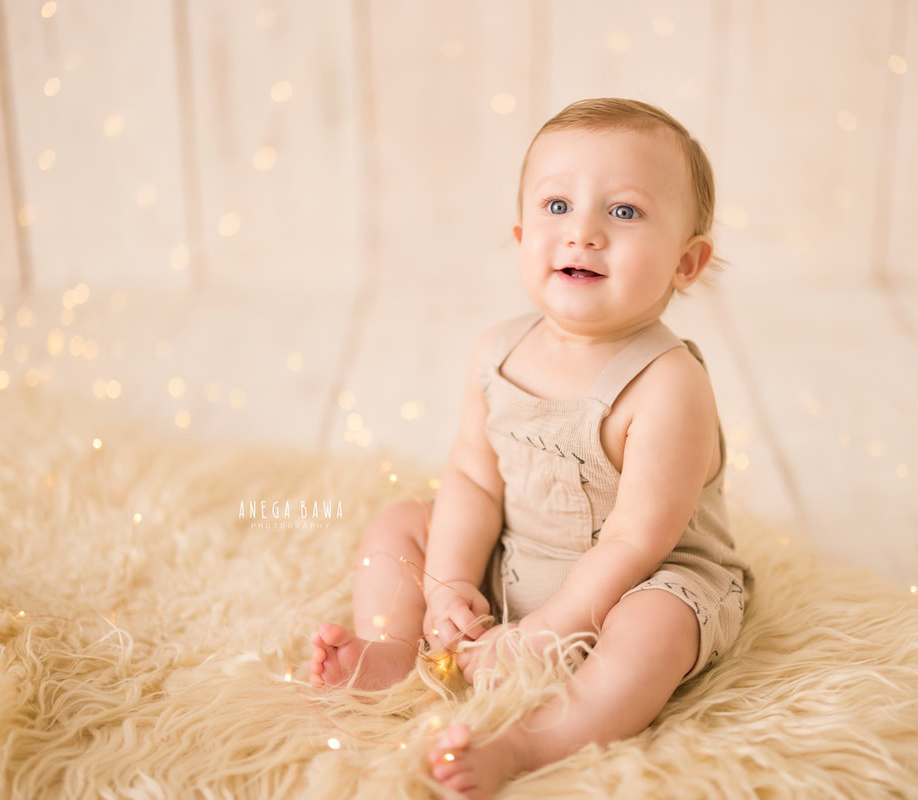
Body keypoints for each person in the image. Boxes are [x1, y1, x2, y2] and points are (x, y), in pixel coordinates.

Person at [309, 97, 756, 799]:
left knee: (659, 626)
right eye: (556, 206)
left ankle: (531, 742)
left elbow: (637, 540)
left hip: (638, 581)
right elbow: (474, 481)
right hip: (518, 558)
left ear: (687, 262)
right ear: (520, 235)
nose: (583, 233)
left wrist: (548, 634)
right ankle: (395, 653)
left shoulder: (668, 385)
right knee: (401, 522)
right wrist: (450, 585)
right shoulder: (498, 352)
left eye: (625, 212)